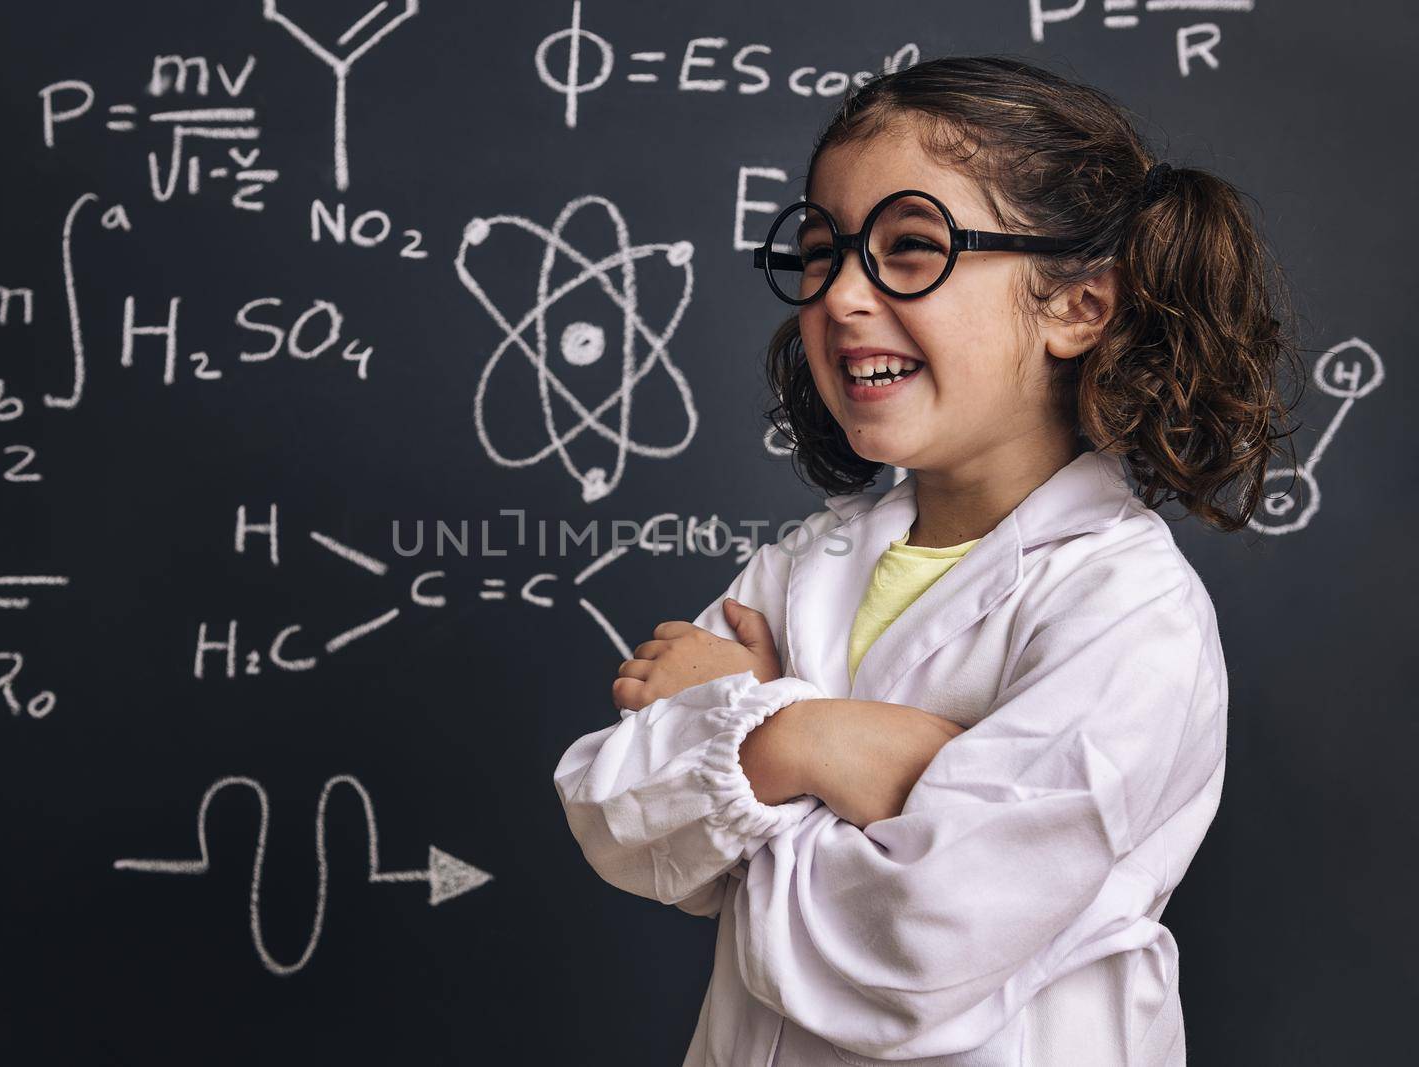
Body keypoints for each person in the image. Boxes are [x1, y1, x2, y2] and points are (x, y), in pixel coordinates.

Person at [553, 54, 1302, 1065]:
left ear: (1076, 305)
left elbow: (916, 941)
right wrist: (873, 757)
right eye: (823, 252)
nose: (843, 296)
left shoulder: (1126, 605)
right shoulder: (805, 564)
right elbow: (618, 818)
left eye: (911, 249)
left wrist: (776, 732)